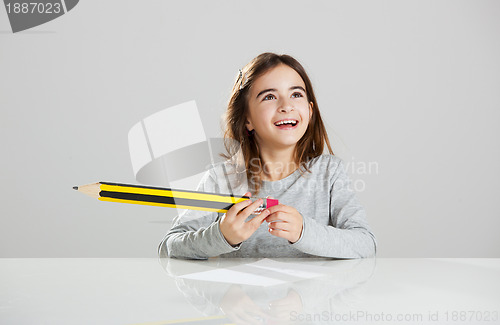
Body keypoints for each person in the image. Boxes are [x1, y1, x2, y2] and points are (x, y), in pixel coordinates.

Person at [158, 52, 377, 259]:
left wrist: (304, 231)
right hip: (243, 297)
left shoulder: (329, 173)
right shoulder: (221, 180)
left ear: (310, 112)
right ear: (247, 120)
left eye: (296, 94)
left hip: (311, 299)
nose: (286, 106)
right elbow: (169, 247)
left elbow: (365, 243)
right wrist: (222, 236)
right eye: (270, 96)